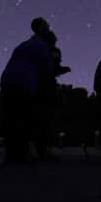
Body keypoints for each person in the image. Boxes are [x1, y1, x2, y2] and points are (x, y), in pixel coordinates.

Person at [0, 17, 55, 163]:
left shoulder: (25, 44)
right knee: (25, 120)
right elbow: (47, 70)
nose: (48, 27)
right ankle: (28, 155)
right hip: (22, 85)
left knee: (12, 120)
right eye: (46, 26)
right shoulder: (42, 46)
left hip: (7, 82)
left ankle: (13, 156)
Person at [33, 30, 71, 160]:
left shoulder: (48, 50)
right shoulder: (46, 51)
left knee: (45, 120)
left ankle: (42, 150)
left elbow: (53, 68)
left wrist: (60, 69)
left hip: (44, 86)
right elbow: (49, 68)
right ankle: (42, 150)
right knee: (43, 120)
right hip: (43, 87)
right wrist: (59, 69)